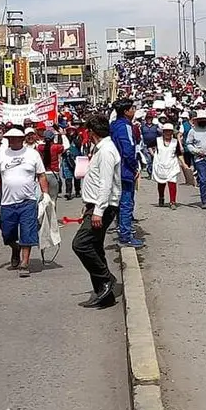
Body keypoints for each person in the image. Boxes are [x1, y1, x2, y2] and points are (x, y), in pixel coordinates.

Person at [0, 127, 50, 278]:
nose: (13, 141)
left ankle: (24, 262)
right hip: (8, 202)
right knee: (7, 232)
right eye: (10, 138)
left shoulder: (32, 154)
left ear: (22, 139)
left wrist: (45, 194)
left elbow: (41, 175)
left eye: (16, 138)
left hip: (28, 201)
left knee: (27, 232)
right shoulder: (2, 155)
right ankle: (15, 248)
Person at [72, 115, 121, 309]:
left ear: (91, 131)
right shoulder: (100, 149)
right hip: (95, 204)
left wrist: (98, 211)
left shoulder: (107, 151)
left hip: (104, 206)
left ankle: (106, 279)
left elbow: (106, 183)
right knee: (95, 246)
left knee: (81, 244)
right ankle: (103, 292)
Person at [110, 98, 144, 248]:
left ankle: (123, 229)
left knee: (121, 202)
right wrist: (134, 167)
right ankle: (126, 235)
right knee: (126, 202)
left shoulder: (114, 125)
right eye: (132, 108)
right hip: (124, 170)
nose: (134, 110)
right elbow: (128, 150)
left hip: (115, 168)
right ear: (125, 111)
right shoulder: (125, 127)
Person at [151, 123, 181, 209]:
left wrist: (184, 164)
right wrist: (153, 154)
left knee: (172, 183)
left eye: (170, 132)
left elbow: (179, 154)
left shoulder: (175, 142)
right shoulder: (157, 140)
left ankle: (172, 201)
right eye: (166, 131)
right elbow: (149, 146)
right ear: (163, 132)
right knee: (161, 183)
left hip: (172, 164)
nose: (168, 133)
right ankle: (161, 197)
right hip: (161, 164)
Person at [39, 130, 64, 203]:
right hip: (53, 173)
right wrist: (60, 135)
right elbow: (62, 147)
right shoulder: (57, 147)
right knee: (53, 199)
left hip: (44, 174)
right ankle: (53, 214)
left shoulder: (40, 147)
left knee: (44, 199)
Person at [61, 130, 83, 200]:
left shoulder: (77, 139)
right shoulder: (63, 139)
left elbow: (80, 147)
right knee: (68, 177)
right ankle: (68, 192)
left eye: (72, 130)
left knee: (77, 177)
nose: (71, 132)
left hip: (76, 159)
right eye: (69, 130)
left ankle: (77, 191)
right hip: (66, 160)